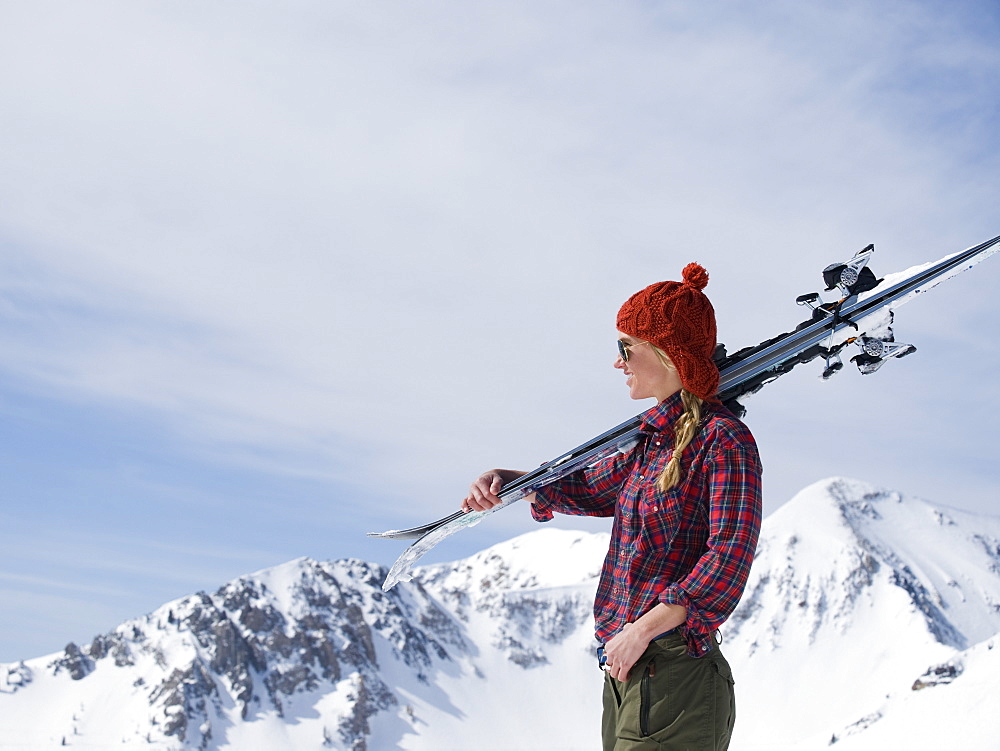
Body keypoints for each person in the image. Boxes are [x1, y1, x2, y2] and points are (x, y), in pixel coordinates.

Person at [462, 263, 763, 751]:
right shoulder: (650, 445)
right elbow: (584, 488)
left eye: (626, 348)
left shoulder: (724, 440)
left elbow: (729, 557)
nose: (618, 362)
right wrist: (513, 482)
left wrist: (641, 631)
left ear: (668, 354)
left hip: (674, 672)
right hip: (629, 669)